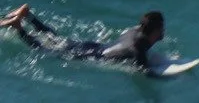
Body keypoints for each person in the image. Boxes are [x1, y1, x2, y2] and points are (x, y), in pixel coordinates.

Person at [4, 5, 165, 71]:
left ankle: (28, 15)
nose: (163, 31)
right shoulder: (137, 49)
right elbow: (146, 71)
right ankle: (18, 26)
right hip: (89, 54)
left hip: (92, 45)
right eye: (161, 28)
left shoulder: (134, 30)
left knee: (55, 38)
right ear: (155, 31)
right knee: (43, 48)